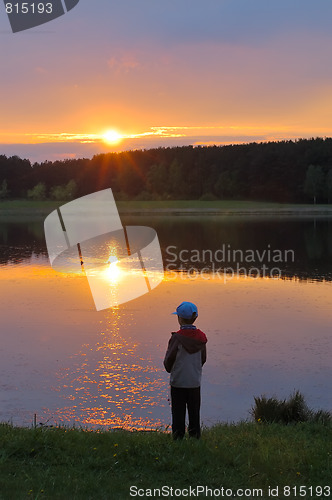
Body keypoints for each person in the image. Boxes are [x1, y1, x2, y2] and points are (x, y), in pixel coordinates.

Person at [163, 301, 207, 440]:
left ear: (179, 318)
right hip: (194, 382)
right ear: (195, 318)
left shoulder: (176, 338)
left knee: (178, 412)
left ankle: (178, 438)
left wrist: (169, 369)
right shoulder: (201, 339)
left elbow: (169, 359)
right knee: (194, 412)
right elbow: (203, 359)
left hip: (178, 383)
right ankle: (195, 437)